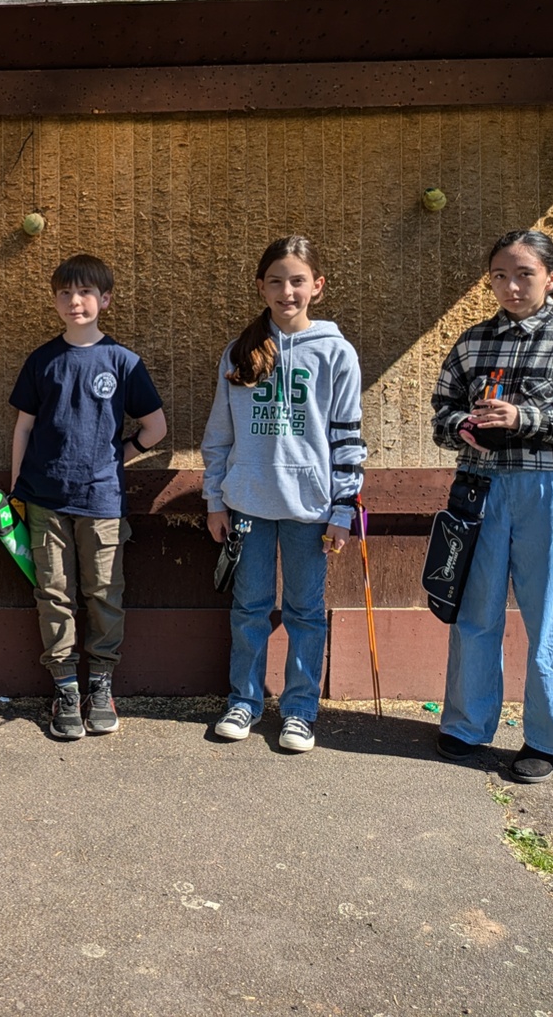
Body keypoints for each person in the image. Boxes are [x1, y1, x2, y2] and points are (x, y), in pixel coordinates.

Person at [430, 229, 553, 783]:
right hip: (479, 490)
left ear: (551, 278)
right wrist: (462, 426)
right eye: (500, 276)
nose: (511, 287)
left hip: (548, 490)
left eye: (524, 275)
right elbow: (441, 411)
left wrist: (524, 419)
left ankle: (550, 737)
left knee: (552, 611)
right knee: (474, 609)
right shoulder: (472, 342)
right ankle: (466, 724)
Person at [201, 235, 366, 754]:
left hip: (310, 510)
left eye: (297, 281)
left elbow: (347, 438)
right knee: (249, 608)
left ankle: (299, 711)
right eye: (276, 281)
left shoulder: (336, 352)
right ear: (261, 287)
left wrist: (343, 510)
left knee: (304, 612)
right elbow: (219, 435)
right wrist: (214, 499)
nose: (287, 291)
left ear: (317, 286)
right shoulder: (240, 352)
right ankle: (243, 702)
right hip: (247, 504)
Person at [10, 254, 166, 741]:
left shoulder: (123, 362)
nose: (74, 301)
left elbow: (156, 428)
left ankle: (100, 684)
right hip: (44, 499)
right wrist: (16, 491)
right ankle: (65, 688)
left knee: (103, 593)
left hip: (102, 502)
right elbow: (23, 428)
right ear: (55, 300)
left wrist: (118, 456)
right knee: (53, 593)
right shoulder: (42, 360)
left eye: (85, 292)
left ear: (105, 299)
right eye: (65, 293)